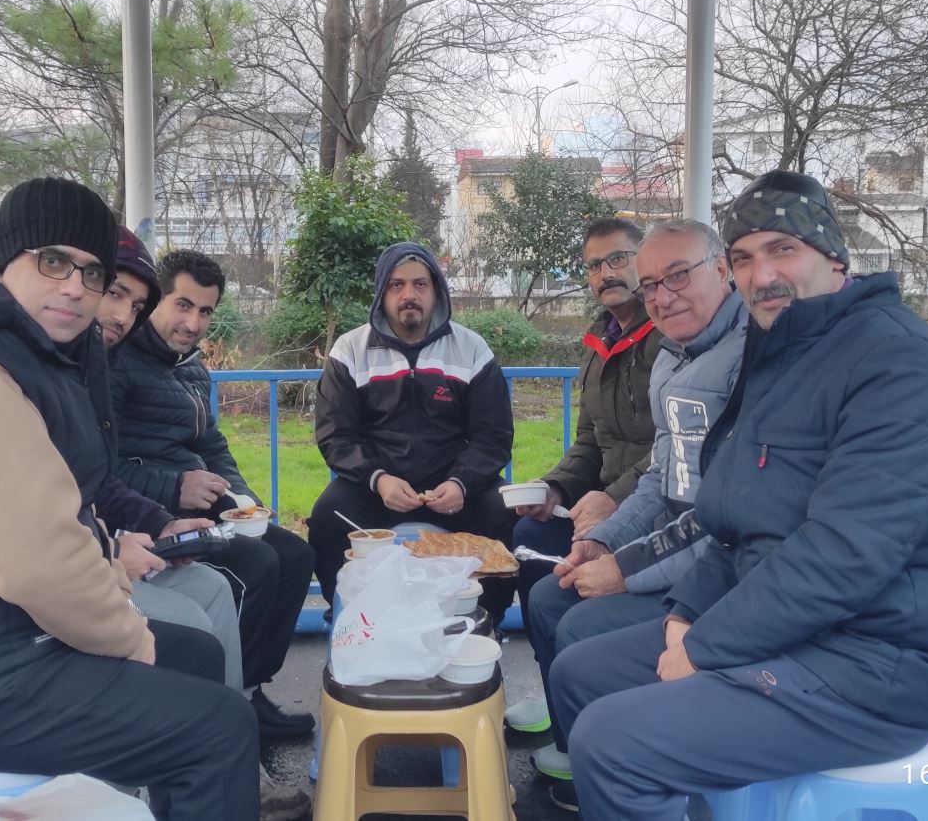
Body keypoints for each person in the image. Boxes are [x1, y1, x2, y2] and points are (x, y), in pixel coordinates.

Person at [549, 171, 928, 817]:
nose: (761, 275)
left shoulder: (904, 368)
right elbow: (730, 517)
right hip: (783, 633)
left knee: (611, 743)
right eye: (744, 257)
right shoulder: (782, 357)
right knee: (579, 673)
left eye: (782, 249)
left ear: (833, 255)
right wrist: (686, 611)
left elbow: (841, 558)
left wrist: (703, 647)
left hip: (866, 673)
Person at [0, 177, 258, 820]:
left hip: (14, 644)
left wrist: (122, 594)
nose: (75, 286)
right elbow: (38, 564)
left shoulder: (27, 353)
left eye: (92, 272)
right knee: (219, 730)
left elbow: (72, 511)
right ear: (4, 260)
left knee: (199, 656)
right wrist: (131, 638)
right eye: (53, 261)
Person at [520, 220, 747, 784]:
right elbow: (643, 466)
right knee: (545, 585)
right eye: (653, 284)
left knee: (578, 629)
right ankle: (574, 741)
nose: (663, 296)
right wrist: (586, 520)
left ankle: (612, 758)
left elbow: (717, 514)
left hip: (719, 567)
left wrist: (621, 558)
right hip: (650, 526)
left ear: (722, 269)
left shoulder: (747, 357)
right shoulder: (661, 353)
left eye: (678, 276)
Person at [98, 231, 312, 820]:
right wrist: (173, 489)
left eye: (206, 312)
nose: (193, 324)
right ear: (155, 302)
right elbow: (102, 469)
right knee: (253, 567)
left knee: (294, 555)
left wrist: (245, 499)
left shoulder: (189, 366)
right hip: (145, 512)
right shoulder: (114, 362)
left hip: (199, 499)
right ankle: (223, 721)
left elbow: (211, 444)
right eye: (183, 306)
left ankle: (249, 692)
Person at [504, 216, 665, 736]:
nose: (605, 273)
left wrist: (613, 499)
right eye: (594, 265)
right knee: (529, 533)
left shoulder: (670, 336)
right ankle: (558, 699)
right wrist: (555, 488)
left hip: (654, 510)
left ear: (645, 262)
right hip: (609, 504)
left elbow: (678, 447)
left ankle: (587, 714)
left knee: (559, 594)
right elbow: (590, 442)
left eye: (618, 259)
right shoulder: (599, 344)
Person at [307, 242, 516, 624]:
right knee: (326, 518)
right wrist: (378, 479)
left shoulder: (471, 348)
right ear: (381, 293)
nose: (409, 295)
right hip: (375, 489)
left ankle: (485, 620)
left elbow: (493, 435)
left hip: (455, 488)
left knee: (504, 512)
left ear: (436, 290)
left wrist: (461, 483)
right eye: (397, 285)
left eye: (420, 284)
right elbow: (336, 434)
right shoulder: (350, 350)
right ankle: (348, 617)